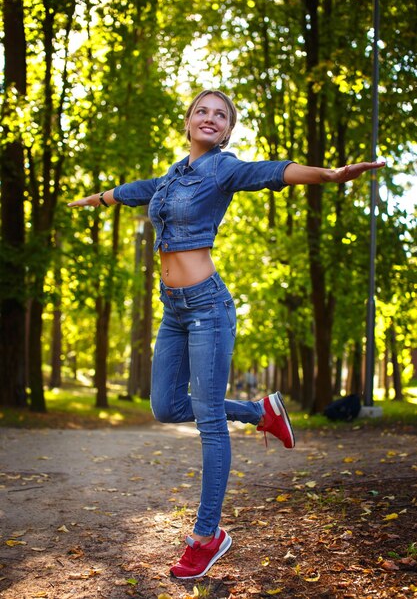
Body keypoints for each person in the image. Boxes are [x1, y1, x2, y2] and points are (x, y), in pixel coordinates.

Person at [68, 89, 384, 579]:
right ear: (189, 121)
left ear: (228, 130)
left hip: (208, 309)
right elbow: (139, 189)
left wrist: (328, 174)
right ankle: (260, 412)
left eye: (221, 115)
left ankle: (206, 535)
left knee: (208, 424)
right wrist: (101, 197)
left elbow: (274, 170)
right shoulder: (174, 175)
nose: (210, 118)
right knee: (166, 407)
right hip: (172, 309)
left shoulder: (224, 168)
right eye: (202, 111)